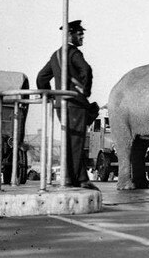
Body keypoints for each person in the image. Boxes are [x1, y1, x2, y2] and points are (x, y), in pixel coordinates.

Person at [36, 20, 98, 190]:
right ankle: (82, 179)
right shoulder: (73, 53)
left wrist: (49, 95)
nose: (82, 36)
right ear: (70, 35)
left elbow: (41, 77)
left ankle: (69, 177)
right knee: (76, 141)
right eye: (79, 34)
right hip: (75, 104)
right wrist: (85, 91)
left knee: (68, 141)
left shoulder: (55, 55)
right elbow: (86, 70)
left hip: (59, 104)